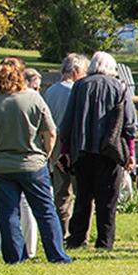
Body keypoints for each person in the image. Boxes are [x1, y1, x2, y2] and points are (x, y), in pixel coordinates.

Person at [0, 57, 71, 264]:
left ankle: (15, 257)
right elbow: (50, 132)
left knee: (8, 213)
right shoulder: (34, 99)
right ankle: (56, 255)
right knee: (45, 211)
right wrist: (45, 153)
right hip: (32, 163)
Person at [58, 50, 136, 250]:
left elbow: (67, 122)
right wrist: (131, 153)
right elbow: (129, 124)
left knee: (83, 196)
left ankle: (77, 238)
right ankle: (105, 241)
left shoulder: (79, 86)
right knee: (108, 199)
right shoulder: (120, 87)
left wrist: (65, 150)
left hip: (82, 148)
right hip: (111, 150)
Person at [43, 53, 88, 238]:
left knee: (61, 192)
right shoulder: (77, 91)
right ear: (77, 71)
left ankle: (63, 231)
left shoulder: (50, 91)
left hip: (55, 147)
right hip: (74, 145)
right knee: (82, 191)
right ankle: (80, 233)